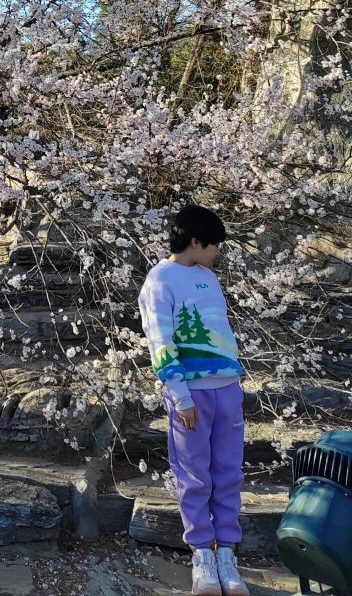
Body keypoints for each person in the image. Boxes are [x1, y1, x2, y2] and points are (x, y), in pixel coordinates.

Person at [138, 204, 249, 596]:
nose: (218, 251)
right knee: (194, 474)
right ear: (195, 241)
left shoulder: (207, 277)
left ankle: (227, 555)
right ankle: (202, 554)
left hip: (227, 389)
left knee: (229, 471)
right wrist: (180, 396)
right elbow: (160, 343)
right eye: (214, 244)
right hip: (190, 396)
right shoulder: (159, 280)